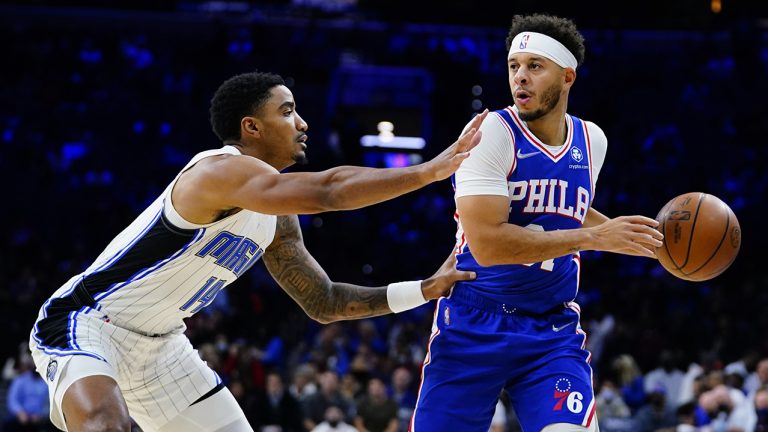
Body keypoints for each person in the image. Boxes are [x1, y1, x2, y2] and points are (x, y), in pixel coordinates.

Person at [28, 70, 487, 432]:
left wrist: (424, 289)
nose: (302, 123)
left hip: (162, 346)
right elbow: (327, 191)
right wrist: (428, 171)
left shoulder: (276, 217)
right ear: (251, 127)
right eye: (287, 112)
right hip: (88, 322)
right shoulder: (217, 172)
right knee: (105, 424)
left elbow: (323, 301)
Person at [409, 14, 665, 432]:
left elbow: (565, 207)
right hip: (475, 322)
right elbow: (488, 244)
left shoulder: (591, 141)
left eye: (535, 66)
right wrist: (596, 237)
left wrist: (633, 237)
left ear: (567, 76)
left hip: (551, 329)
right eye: (514, 66)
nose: (520, 77)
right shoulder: (490, 133)